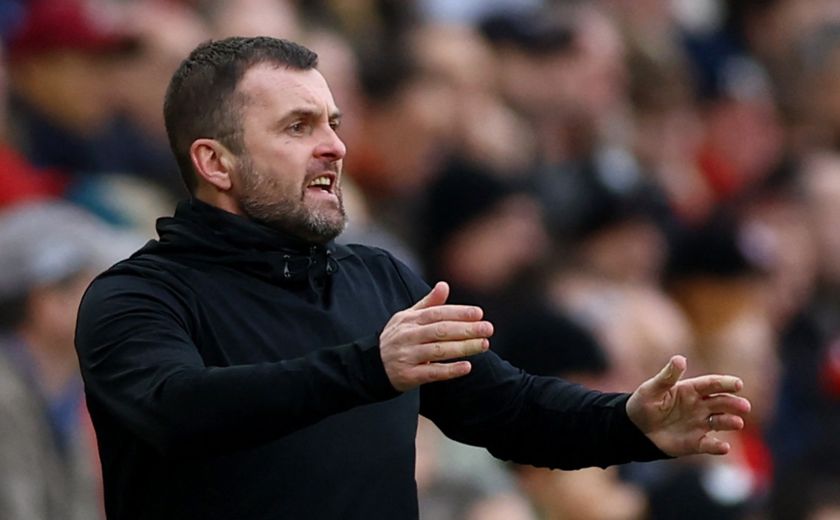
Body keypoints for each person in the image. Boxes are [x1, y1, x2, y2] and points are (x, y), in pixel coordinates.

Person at [74, 36, 751, 520]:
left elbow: (510, 410)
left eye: (334, 123)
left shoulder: (377, 280)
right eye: (298, 126)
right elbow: (178, 410)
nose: (334, 145)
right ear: (215, 163)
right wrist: (370, 368)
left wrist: (626, 421)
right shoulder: (138, 296)